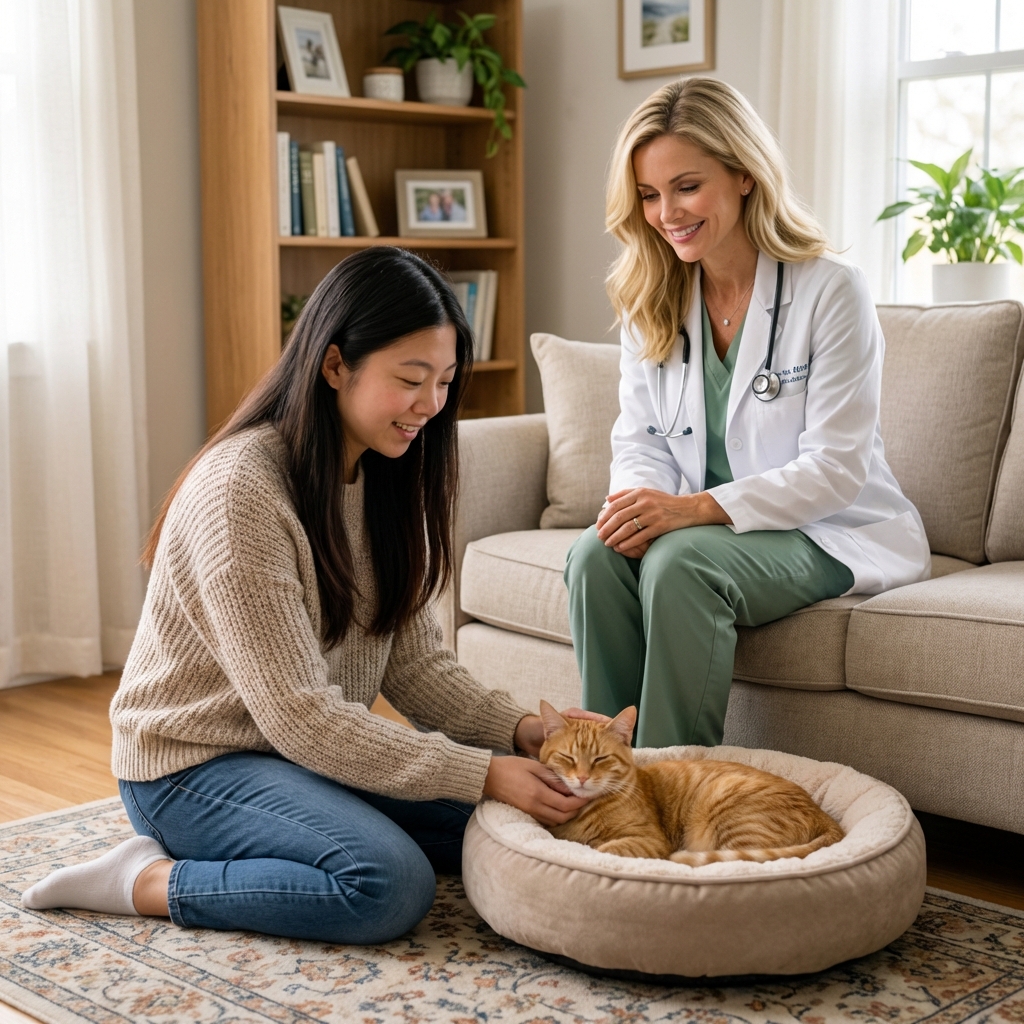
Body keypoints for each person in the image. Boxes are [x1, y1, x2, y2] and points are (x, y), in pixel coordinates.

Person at [22, 247, 597, 944]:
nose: (431, 405)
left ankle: (292, 831)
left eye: (445, 382)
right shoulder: (242, 493)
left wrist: (518, 732)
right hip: (192, 766)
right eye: (411, 379)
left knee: (505, 826)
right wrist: (480, 770)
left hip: (300, 756)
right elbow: (300, 717)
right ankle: (143, 878)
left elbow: (415, 666)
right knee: (387, 885)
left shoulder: (388, 473)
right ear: (334, 367)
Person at [565, 78, 930, 750]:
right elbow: (640, 440)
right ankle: (606, 778)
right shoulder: (652, 295)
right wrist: (635, 511)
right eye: (648, 194)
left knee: (683, 564)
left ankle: (672, 786)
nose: (666, 212)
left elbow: (835, 469)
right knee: (594, 555)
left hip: (829, 528)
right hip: (702, 524)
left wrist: (691, 511)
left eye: (686, 186)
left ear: (743, 175)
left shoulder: (829, 289)